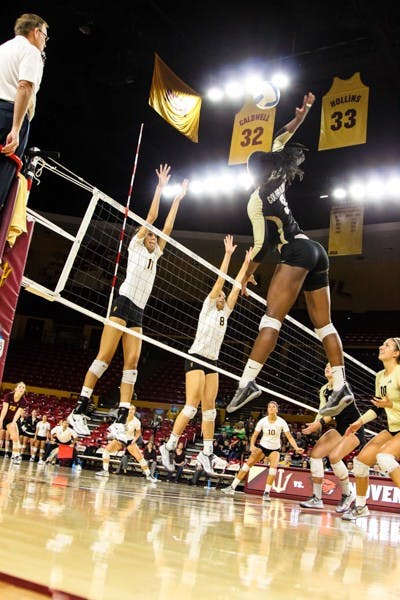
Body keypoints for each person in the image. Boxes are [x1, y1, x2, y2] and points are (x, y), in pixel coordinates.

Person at [226, 92, 354, 417]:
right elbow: (282, 136)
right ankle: (341, 387)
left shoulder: (255, 201)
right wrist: (302, 115)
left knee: (272, 319)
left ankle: (248, 383)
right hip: (315, 249)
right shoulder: (279, 174)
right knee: (324, 325)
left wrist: (242, 277)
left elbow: (260, 245)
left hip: (295, 251)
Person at [69, 165, 188, 434]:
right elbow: (154, 217)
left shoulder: (156, 254)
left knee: (132, 361)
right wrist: (160, 188)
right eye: (150, 234)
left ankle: (121, 419)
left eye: (155, 237)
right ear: (142, 236)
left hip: (139, 311)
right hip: (122, 302)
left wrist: (179, 199)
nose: (153, 237)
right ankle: (80, 408)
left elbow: (167, 226)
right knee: (105, 356)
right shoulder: (135, 245)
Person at [159, 236, 254, 475]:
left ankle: (207, 452)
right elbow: (222, 280)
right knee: (192, 407)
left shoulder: (226, 311)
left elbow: (234, 287)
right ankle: (169, 446)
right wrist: (228, 255)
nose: (222, 297)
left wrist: (246, 262)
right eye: (219, 295)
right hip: (196, 357)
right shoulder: (209, 307)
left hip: (213, 361)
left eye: (224, 297)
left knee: (210, 410)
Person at [341, 337, 400, 520]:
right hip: (392, 428)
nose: (381, 346)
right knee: (360, 463)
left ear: (396, 353)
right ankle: (360, 507)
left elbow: (389, 404)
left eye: (387, 345)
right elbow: (377, 407)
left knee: (384, 457)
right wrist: (359, 422)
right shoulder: (380, 376)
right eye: (382, 344)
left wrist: (391, 405)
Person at [299, 362, 365, 512]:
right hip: (341, 427)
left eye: (331, 366)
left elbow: (333, 412)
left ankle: (347, 494)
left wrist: (320, 423)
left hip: (354, 428)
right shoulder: (324, 389)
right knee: (315, 455)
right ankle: (317, 498)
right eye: (326, 366)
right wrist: (315, 423)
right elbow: (323, 411)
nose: (327, 367)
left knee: (334, 457)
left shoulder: (343, 386)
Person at [0, 13, 48, 212]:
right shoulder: (31, 52)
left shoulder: (3, 48)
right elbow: (25, 86)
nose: (45, 42)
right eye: (45, 36)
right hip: (11, 114)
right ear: (36, 32)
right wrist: (16, 128)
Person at [221, 400, 303, 500]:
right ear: (267, 409)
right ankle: (232, 487)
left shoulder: (282, 422)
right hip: (263, 447)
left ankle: (266, 493)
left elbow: (289, 437)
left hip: (274, 449)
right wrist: (251, 445)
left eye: (273, 407)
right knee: (247, 465)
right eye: (269, 407)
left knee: (273, 469)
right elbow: (254, 435)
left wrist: (296, 448)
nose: (271, 408)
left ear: (277, 409)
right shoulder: (262, 421)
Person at [96, 405, 157, 481]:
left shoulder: (137, 422)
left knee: (140, 458)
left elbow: (138, 433)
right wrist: (111, 435)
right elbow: (113, 428)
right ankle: (105, 471)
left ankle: (148, 475)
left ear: (134, 411)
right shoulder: (121, 418)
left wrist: (134, 440)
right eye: (129, 409)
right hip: (120, 439)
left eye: (132, 409)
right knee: (106, 451)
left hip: (129, 441)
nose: (131, 410)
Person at [0, 381, 27, 462]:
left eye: (23, 387)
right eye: (20, 387)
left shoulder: (23, 401)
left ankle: (16, 456)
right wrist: (0, 421)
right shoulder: (8, 396)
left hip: (11, 420)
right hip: (3, 417)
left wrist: (13, 423)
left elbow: (18, 414)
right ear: (15, 388)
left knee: (14, 437)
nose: (21, 388)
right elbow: (4, 410)